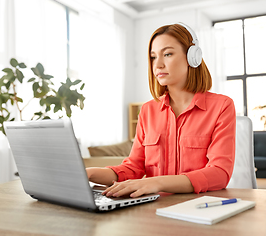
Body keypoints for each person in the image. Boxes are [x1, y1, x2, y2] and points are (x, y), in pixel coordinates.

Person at [86, 23, 236, 198]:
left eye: (167, 54)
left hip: (199, 208)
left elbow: (219, 173)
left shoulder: (222, 106)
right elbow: (133, 167)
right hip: (153, 209)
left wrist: (156, 182)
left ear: (192, 57)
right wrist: (89, 173)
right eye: (152, 57)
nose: (158, 65)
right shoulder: (148, 110)